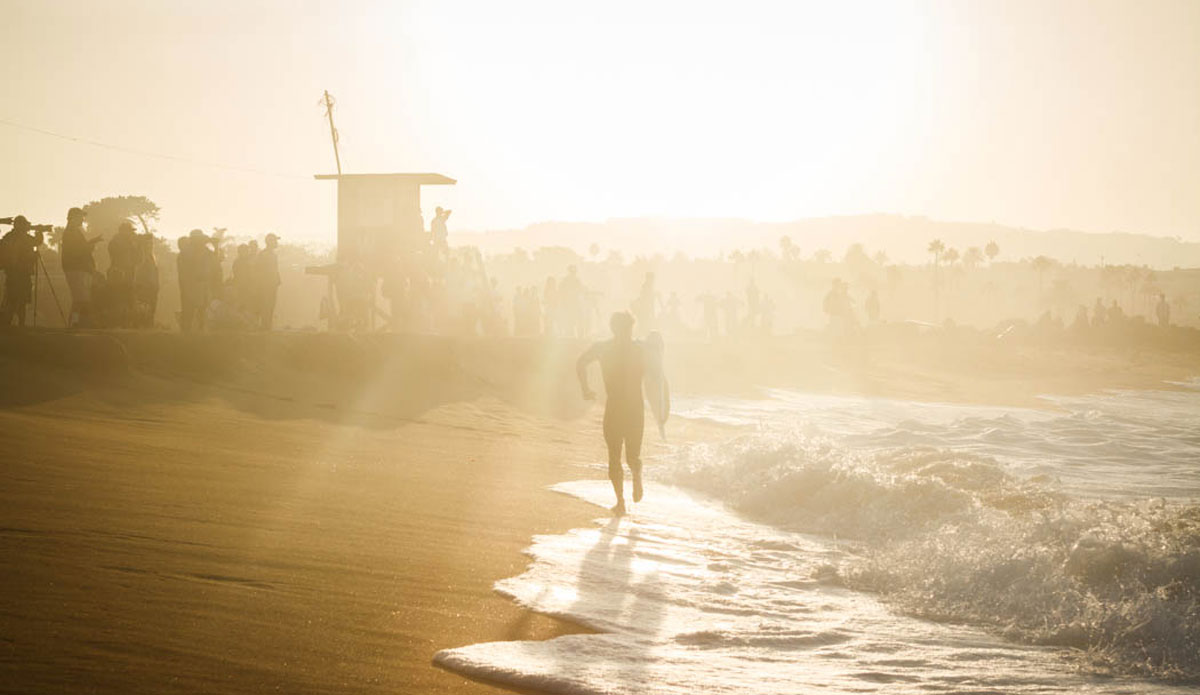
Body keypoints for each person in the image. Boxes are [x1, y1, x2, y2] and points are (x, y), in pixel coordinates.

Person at [577, 311, 647, 515]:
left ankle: (620, 503)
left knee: (614, 457)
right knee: (632, 456)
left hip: (615, 407)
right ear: (630, 328)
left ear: (613, 328)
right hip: (635, 408)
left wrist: (585, 389)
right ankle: (636, 472)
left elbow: (580, 362)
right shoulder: (640, 350)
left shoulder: (603, 348)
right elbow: (656, 377)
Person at [59, 207, 102, 327]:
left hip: (78, 268)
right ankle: (74, 323)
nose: (83, 220)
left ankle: (77, 322)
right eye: (80, 217)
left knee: (80, 298)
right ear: (73, 217)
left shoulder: (73, 231)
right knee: (80, 299)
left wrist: (90, 244)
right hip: (75, 269)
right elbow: (77, 251)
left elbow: (79, 249)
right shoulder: (71, 232)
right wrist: (90, 246)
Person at [0, 216, 45, 327]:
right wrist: (39, 231)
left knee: (12, 299)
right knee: (21, 300)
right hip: (22, 273)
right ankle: (19, 324)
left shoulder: (8, 237)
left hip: (11, 273)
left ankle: (7, 323)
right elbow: (38, 241)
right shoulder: (24, 238)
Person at [106, 221, 138, 327]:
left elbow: (137, 260)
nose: (131, 233)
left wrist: (138, 246)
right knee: (118, 298)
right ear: (123, 231)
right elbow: (117, 255)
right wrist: (131, 244)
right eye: (129, 231)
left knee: (128, 299)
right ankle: (116, 323)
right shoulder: (115, 242)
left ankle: (125, 323)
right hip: (117, 274)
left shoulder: (130, 243)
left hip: (129, 274)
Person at [255, 233, 281, 330]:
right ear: (270, 242)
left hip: (271, 285)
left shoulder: (271, 254)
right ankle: (265, 327)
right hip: (266, 285)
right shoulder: (264, 254)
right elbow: (259, 270)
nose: (276, 242)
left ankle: (267, 327)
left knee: (270, 306)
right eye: (275, 240)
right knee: (266, 306)